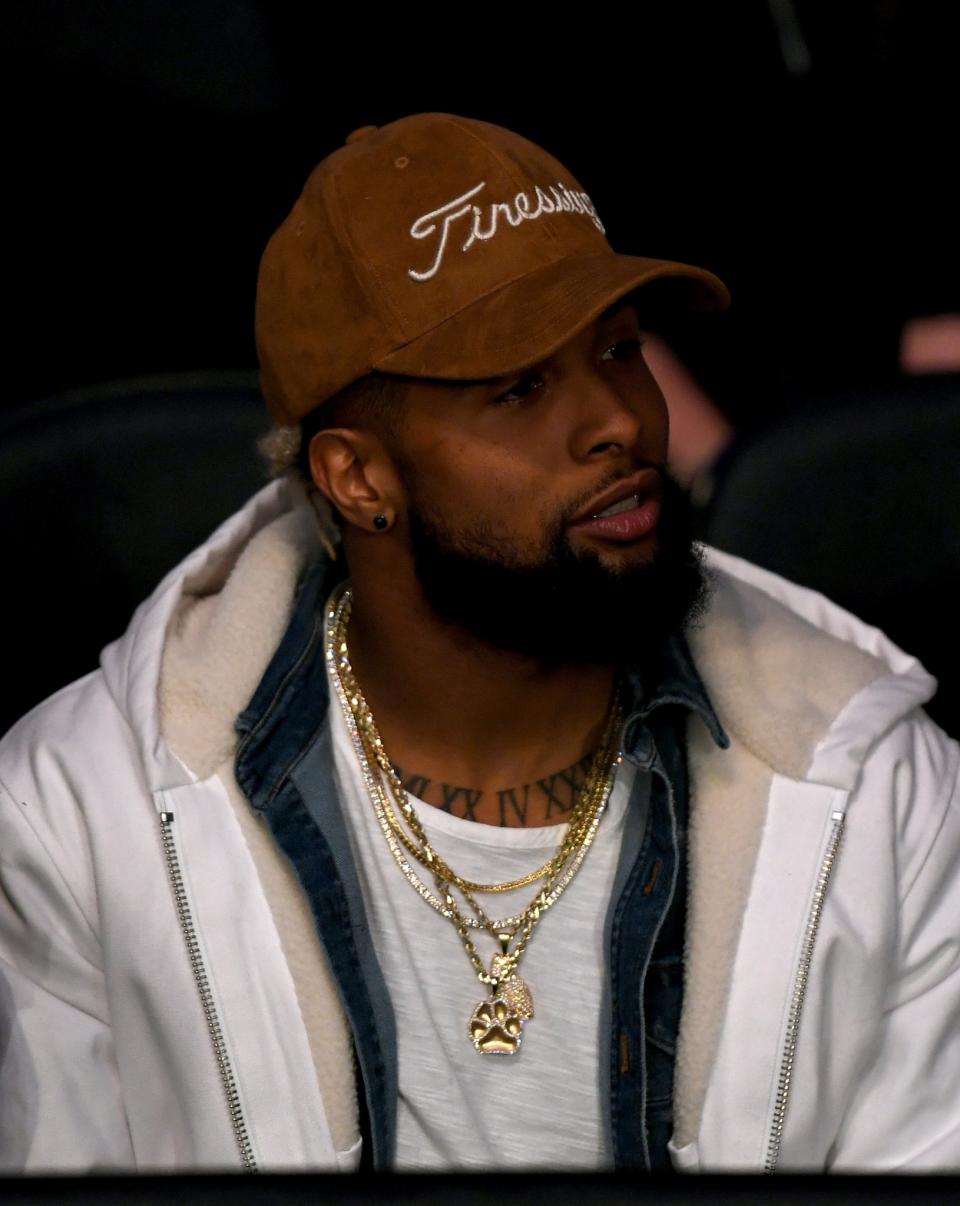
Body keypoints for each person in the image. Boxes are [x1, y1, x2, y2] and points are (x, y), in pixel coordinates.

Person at [1, 112, 957, 1175]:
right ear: (359, 479)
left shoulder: (873, 781)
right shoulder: (77, 814)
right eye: (519, 387)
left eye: (620, 351)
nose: (621, 423)